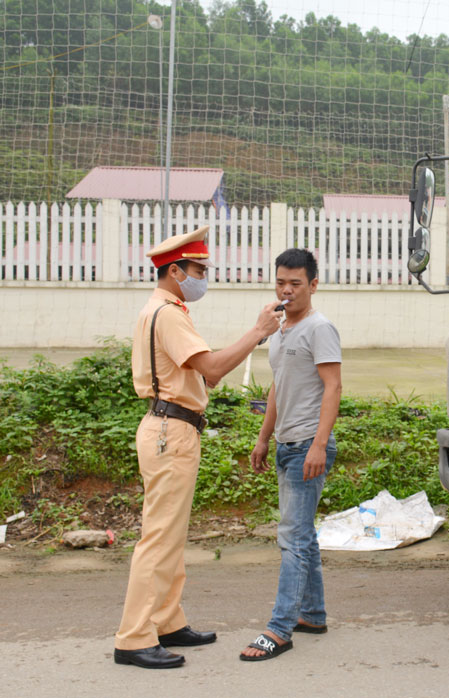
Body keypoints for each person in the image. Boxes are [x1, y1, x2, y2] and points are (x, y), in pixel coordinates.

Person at [114, 226, 284, 669]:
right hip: (171, 431)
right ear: (175, 271)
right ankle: (134, 638)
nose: (203, 277)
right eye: (198, 269)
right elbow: (211, 366)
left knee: (170, 536)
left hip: (173, 428)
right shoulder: (168, 313)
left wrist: (244, 344)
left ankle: (167, 621)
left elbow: (206, 376)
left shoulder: (169, 309)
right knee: (158, 538)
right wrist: (258, 331)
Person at [240, 248, 342, 662]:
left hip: (307, 446)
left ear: (313, 285)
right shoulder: (280, 333)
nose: (286, 290)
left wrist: (319, 444)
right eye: (281, 282)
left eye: (295, 283)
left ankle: (279, 629)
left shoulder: (320, 328)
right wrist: (264, 438)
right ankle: (312, 615)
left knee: (292, 538)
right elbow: (277, 389)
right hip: (285, 445)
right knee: (303, 536)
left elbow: (333, 388)